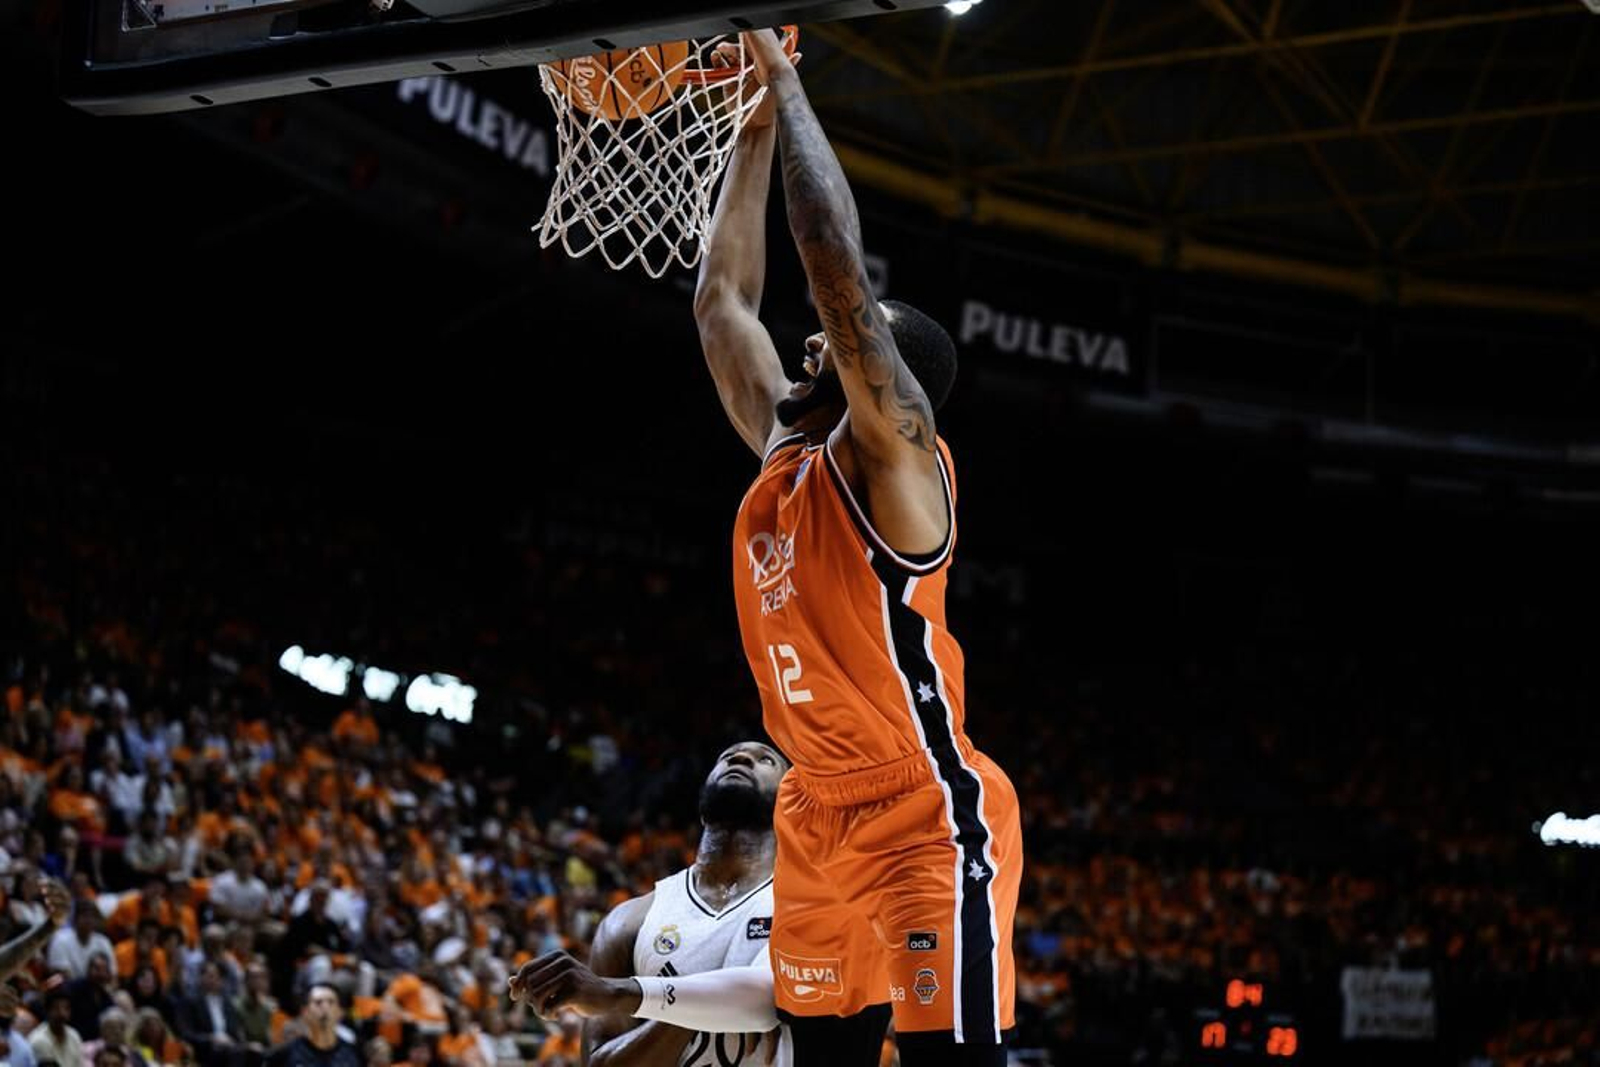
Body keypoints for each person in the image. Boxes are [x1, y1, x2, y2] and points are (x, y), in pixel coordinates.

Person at [688, 28, 1024, 1067]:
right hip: (813, 808)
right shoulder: (786, 451)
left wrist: (787, 79)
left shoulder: (898, 468)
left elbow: (830, 252)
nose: (808, 340)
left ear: (878, 369)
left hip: (923, 808)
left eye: (836, 339)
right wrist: (749, 125)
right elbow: (721, 304)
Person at [512, 743, 786, 1067]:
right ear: (702, 807)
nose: (740, 758)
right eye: (726, 757)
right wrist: (705, 1000)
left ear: (790, 808)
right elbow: (599, 1064)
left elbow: (764, 1000)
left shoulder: (803, 906)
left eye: (765, 760)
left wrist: (677, 997)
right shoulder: (629, 921)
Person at [264, 984, 359, 1067]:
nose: (325, 1007)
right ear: (305, 1012)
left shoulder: (354, 1053)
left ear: (340, 1012)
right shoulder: (285, 1054)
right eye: (318, 1002)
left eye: (331, 1002)